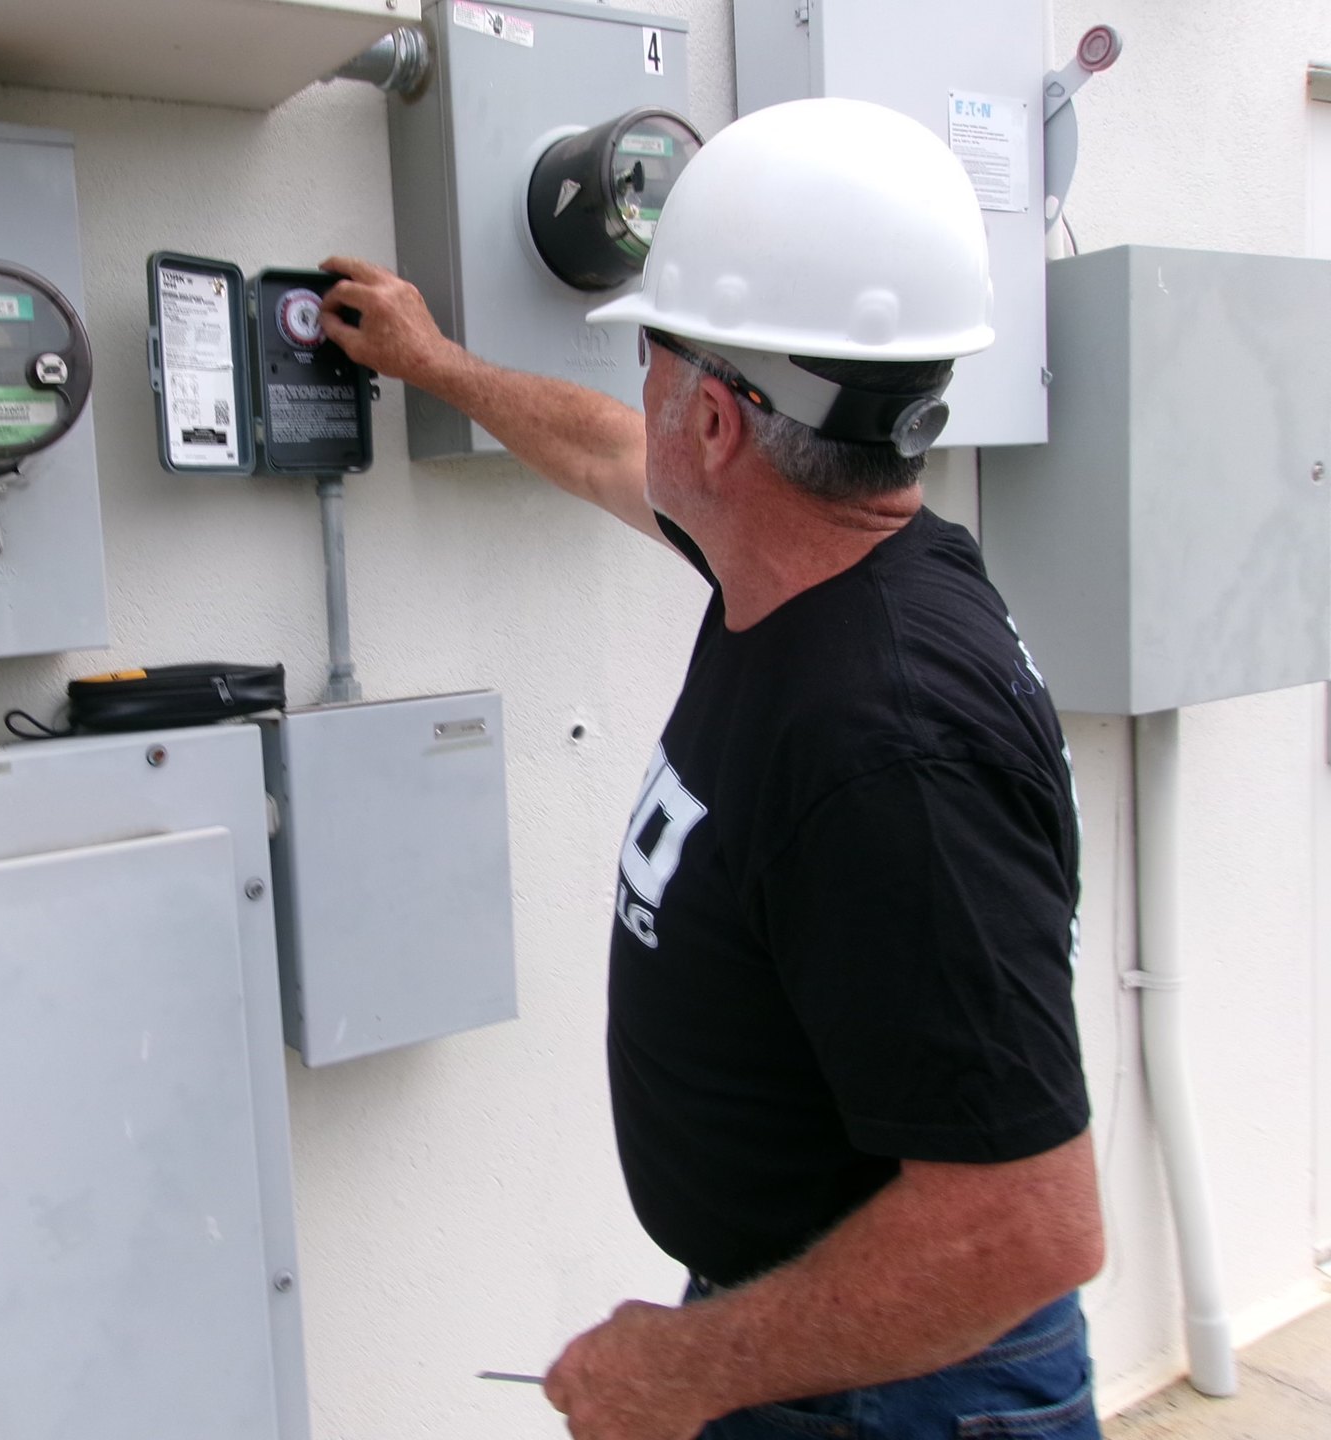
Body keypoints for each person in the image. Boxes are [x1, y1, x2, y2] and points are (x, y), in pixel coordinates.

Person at [319, 98, 1104, 1440]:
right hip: (817, 1333)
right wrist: (436, 363)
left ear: (722, 425)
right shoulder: (809, 562)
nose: (643, 393)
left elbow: (1024, 1227)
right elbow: (605, 450)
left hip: (908, 1390)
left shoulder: (888, 746)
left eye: (656, 356)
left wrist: (684, 1369)